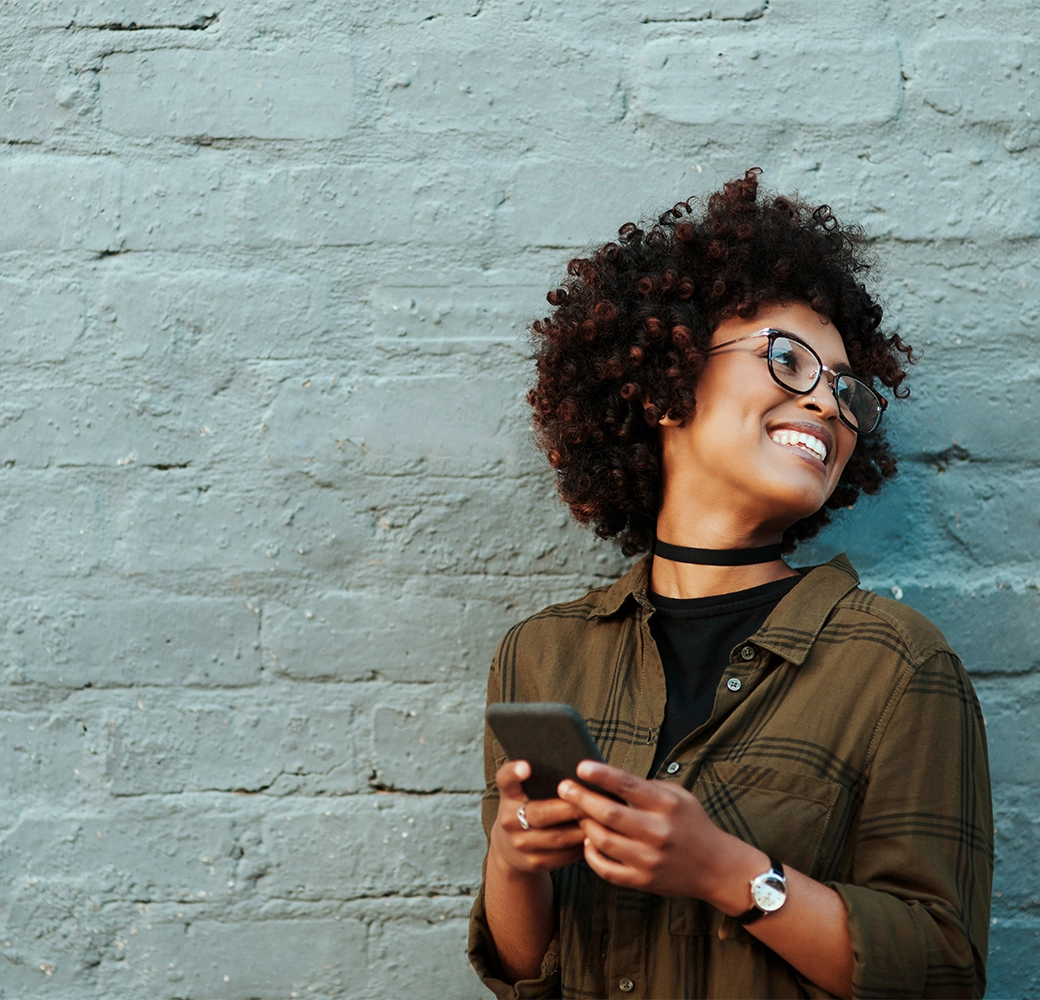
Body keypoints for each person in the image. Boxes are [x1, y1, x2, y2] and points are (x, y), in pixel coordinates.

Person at [466, 169, 993, 999]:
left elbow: (941, 971)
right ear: (668, 382)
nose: (827, 403)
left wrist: (729, 873)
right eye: (789, 360)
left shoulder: (895, 664)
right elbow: (526, 973)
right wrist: (512, 858)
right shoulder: (542, 656)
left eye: (847, 389)